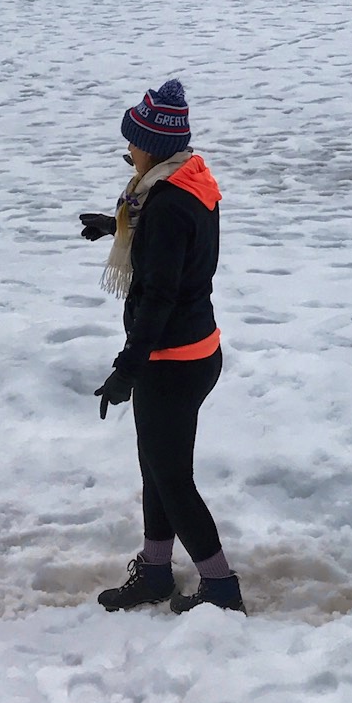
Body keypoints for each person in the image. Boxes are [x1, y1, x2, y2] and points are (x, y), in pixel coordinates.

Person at [80, 79, 243, 613]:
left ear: (152, 145)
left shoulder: (168, 203)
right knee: (157, 467)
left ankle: (220, 587)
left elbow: (159, 296)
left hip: (171, 359)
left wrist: (127, 368)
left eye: (131, 142)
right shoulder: (186, 184)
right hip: (195, 350)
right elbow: (171, 249)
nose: (126, 151)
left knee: (171, 478)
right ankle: (154, 571)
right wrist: (116, 227)